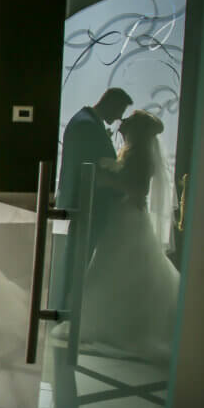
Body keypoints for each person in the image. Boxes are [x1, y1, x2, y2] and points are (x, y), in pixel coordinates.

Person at [78, 109, 179, 364]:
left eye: (130, 120)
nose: (124, 122)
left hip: (128, 218)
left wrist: (104, 179)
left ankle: (120, 328)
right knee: (114, 268)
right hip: (122, 216)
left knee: (121, 269)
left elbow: (137, 188)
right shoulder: (132, 151)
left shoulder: (141, 156)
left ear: (138, 129)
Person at [55, 87, 132, 308]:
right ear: (111, 103)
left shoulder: (84, 121)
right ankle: (69, 308)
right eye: (119, 110)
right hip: (86, 205)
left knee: (79, 259)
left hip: (84, 204)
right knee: (79, 260)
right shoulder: (87, 126)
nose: (118, 118)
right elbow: (90, 171)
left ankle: (69, 306)